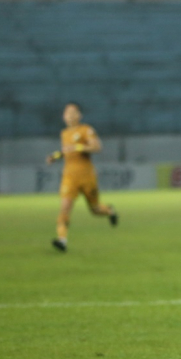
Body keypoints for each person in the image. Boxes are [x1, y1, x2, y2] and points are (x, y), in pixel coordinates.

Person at [45, 102, 117, 252]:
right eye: (67, 113)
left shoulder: (86, 130)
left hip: (87, 176)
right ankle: (62, 240)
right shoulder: (64, 133)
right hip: (69, 177)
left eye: (73, 112)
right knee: (64, 208)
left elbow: (97, 147)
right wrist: (55, 156)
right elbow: (67, 150)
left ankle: (110, 211)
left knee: (95, 209)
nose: (69, 116)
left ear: (79, 115)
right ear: (63, 116)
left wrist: (79, 147)